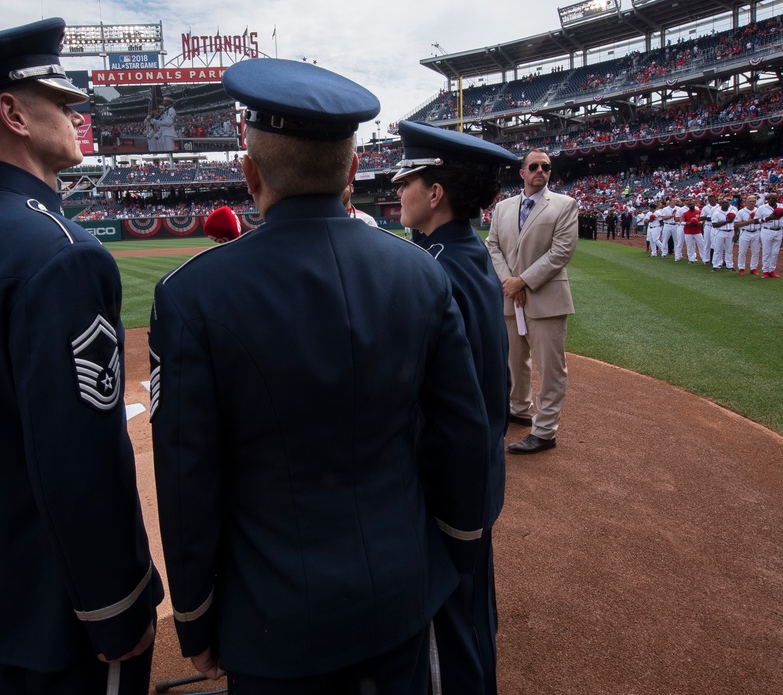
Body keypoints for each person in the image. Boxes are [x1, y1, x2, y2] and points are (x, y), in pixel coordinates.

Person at [148, 58, 489, 694]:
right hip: (404, 593)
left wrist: (194, 618)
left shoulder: (192, 294)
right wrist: (453, 555)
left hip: (274, 620)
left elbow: (186, 475)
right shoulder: (422, 274)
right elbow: (463, 436)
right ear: (353, 170)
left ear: (249, 173)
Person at [0, 19, 164, 695]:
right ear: (13, 113)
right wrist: (118, 605)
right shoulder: (62, 252)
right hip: (65, 614)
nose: (78, 115)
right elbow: (81, 461)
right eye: (62, 102)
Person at [392, 119, 515, 695]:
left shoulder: (435, 269)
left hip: (448, 485)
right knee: (471, 619)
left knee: (449, 635)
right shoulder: (466, 254)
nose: (400, 191)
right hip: (477, 473)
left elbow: (437, 406)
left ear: (434, 193)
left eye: (408, 180)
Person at [486, 148, 578, 454]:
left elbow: (561, 252)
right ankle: (520, 409)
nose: (541, 170)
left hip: (546, 298)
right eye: (534, 166)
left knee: (552, 368)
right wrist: (508, 283)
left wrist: (522, 281)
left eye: (546, 167)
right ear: (522, 172)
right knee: (515, 362)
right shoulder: (503, 208)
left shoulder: (564, 205)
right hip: (511, 297)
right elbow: (493, 246)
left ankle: (545, 431)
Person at [757, 192, 783, 278]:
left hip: (779, 230)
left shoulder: (782, 206)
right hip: (767, 230)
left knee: (775, 252)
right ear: (767, 199)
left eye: (774, 198)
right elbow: (756, 220)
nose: (772, 200)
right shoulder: (762, 208)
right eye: (770, 198)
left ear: (777, 199)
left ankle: (772, 270)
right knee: (766, 252)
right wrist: (767, 218)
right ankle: (765, 271)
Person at [734, 194, 762, 275]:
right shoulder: (741, 211)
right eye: (750, 201)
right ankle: (741, 268)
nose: (752, 203)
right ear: (746, 202)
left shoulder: (758, 210)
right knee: (742, 251)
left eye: (754, 201)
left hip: (756, 232)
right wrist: (748, 222)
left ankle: (753, 268)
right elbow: (736, 224)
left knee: (756, 252)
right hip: (745, 232)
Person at [710, 199, 737, 271]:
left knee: (729, 250)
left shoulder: (733, 212)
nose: (725, 204)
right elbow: (714, 225)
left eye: (726, 203)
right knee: (717, 249)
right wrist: (727, 221)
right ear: (721, 204)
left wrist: (735, 234)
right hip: (720, 232)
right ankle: (716, 265)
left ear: (729, 204)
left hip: (731, 231)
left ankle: (730, 266)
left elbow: (736, 224)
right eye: (723, 203)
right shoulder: (717, 213)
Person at [681, 196, 706, 264]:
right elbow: (681, 222)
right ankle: (691, 259)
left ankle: (704, 259)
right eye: (690, 205)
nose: (691, 205)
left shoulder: (699, 212)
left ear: (694, 205)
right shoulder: (685, 213)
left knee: (701, 244)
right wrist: (688, 223)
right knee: (689, 245)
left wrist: (699, 223)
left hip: (697, 231)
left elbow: (702, 220)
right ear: (688, 206)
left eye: (693, 204)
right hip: (688, 231)